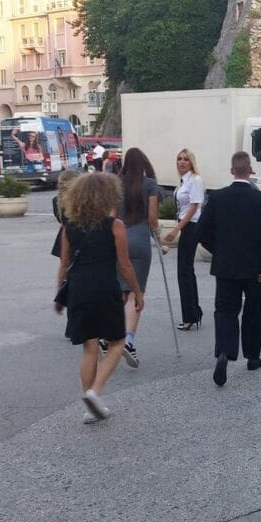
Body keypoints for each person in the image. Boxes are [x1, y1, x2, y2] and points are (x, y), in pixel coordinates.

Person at [55, 172, 144, 424]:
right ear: (108, 196)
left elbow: (64, 263)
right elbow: (125, 265)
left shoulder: (69, 227)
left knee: (89, 347)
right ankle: (95, 391)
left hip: (78, 290)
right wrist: (137, 292)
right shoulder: (115, 226)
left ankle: (90, 407)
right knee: (117, 342)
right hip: (105, 288)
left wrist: (59, 295)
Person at [199, 151, 261, 387]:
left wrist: (219, 250)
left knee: (225, 311)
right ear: (250, 170)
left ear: (232, 171)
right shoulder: (260, 199)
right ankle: (252, 357)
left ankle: (224, 351)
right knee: (254, 311)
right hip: (254, 267)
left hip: (226, 266)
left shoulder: (217, 197)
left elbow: (202, 231)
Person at [108, 147, 159, 368]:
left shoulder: (116, 183)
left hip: (119, 239)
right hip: (140, 240)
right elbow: (153, 218)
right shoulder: (150, 184)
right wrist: (159, 239)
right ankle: (128, 340)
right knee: (136, 294)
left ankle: (109, 334)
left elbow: (111, 215)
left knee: (121, 291)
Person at [166, 148, 206, 331]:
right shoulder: (184, 181)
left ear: (191, 162)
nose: (181, 162)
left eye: (185, 159)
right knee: (186, 271)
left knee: (184, 271)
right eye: (179, 159)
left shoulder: (195, 180)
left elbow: (194, 207)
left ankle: (191, 315)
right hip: (186, 225)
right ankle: (193, 312)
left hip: (191, 226)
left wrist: (177, 228)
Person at [51, 169, 83, 257]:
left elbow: (60, 220)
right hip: (82, 236)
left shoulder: (56, 200)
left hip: (65, 235)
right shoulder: (82, 199)